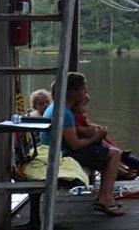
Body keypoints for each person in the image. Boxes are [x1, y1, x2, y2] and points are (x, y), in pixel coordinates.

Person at [40, 72, 124, 217]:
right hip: (61, 156)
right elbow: (75, 145)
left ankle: (103, 196)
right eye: (84, 89)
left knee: (106, 150)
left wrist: (90, 131)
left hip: (56, 151)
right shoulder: (63, 113)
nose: (86, 93)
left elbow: (71, 134)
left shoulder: (59, 107)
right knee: (114, 154)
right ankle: (105, 198)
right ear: (74, 92)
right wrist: (95, 136)